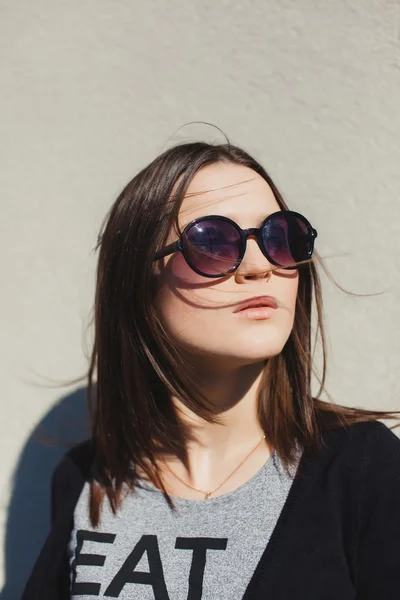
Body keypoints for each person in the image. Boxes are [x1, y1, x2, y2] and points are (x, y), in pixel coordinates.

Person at [21, 139, 400, 600]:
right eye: (212, 243)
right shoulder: (88, 478)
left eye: (281, 237)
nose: (260, 266)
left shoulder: (363, 467)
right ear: (139, 284)